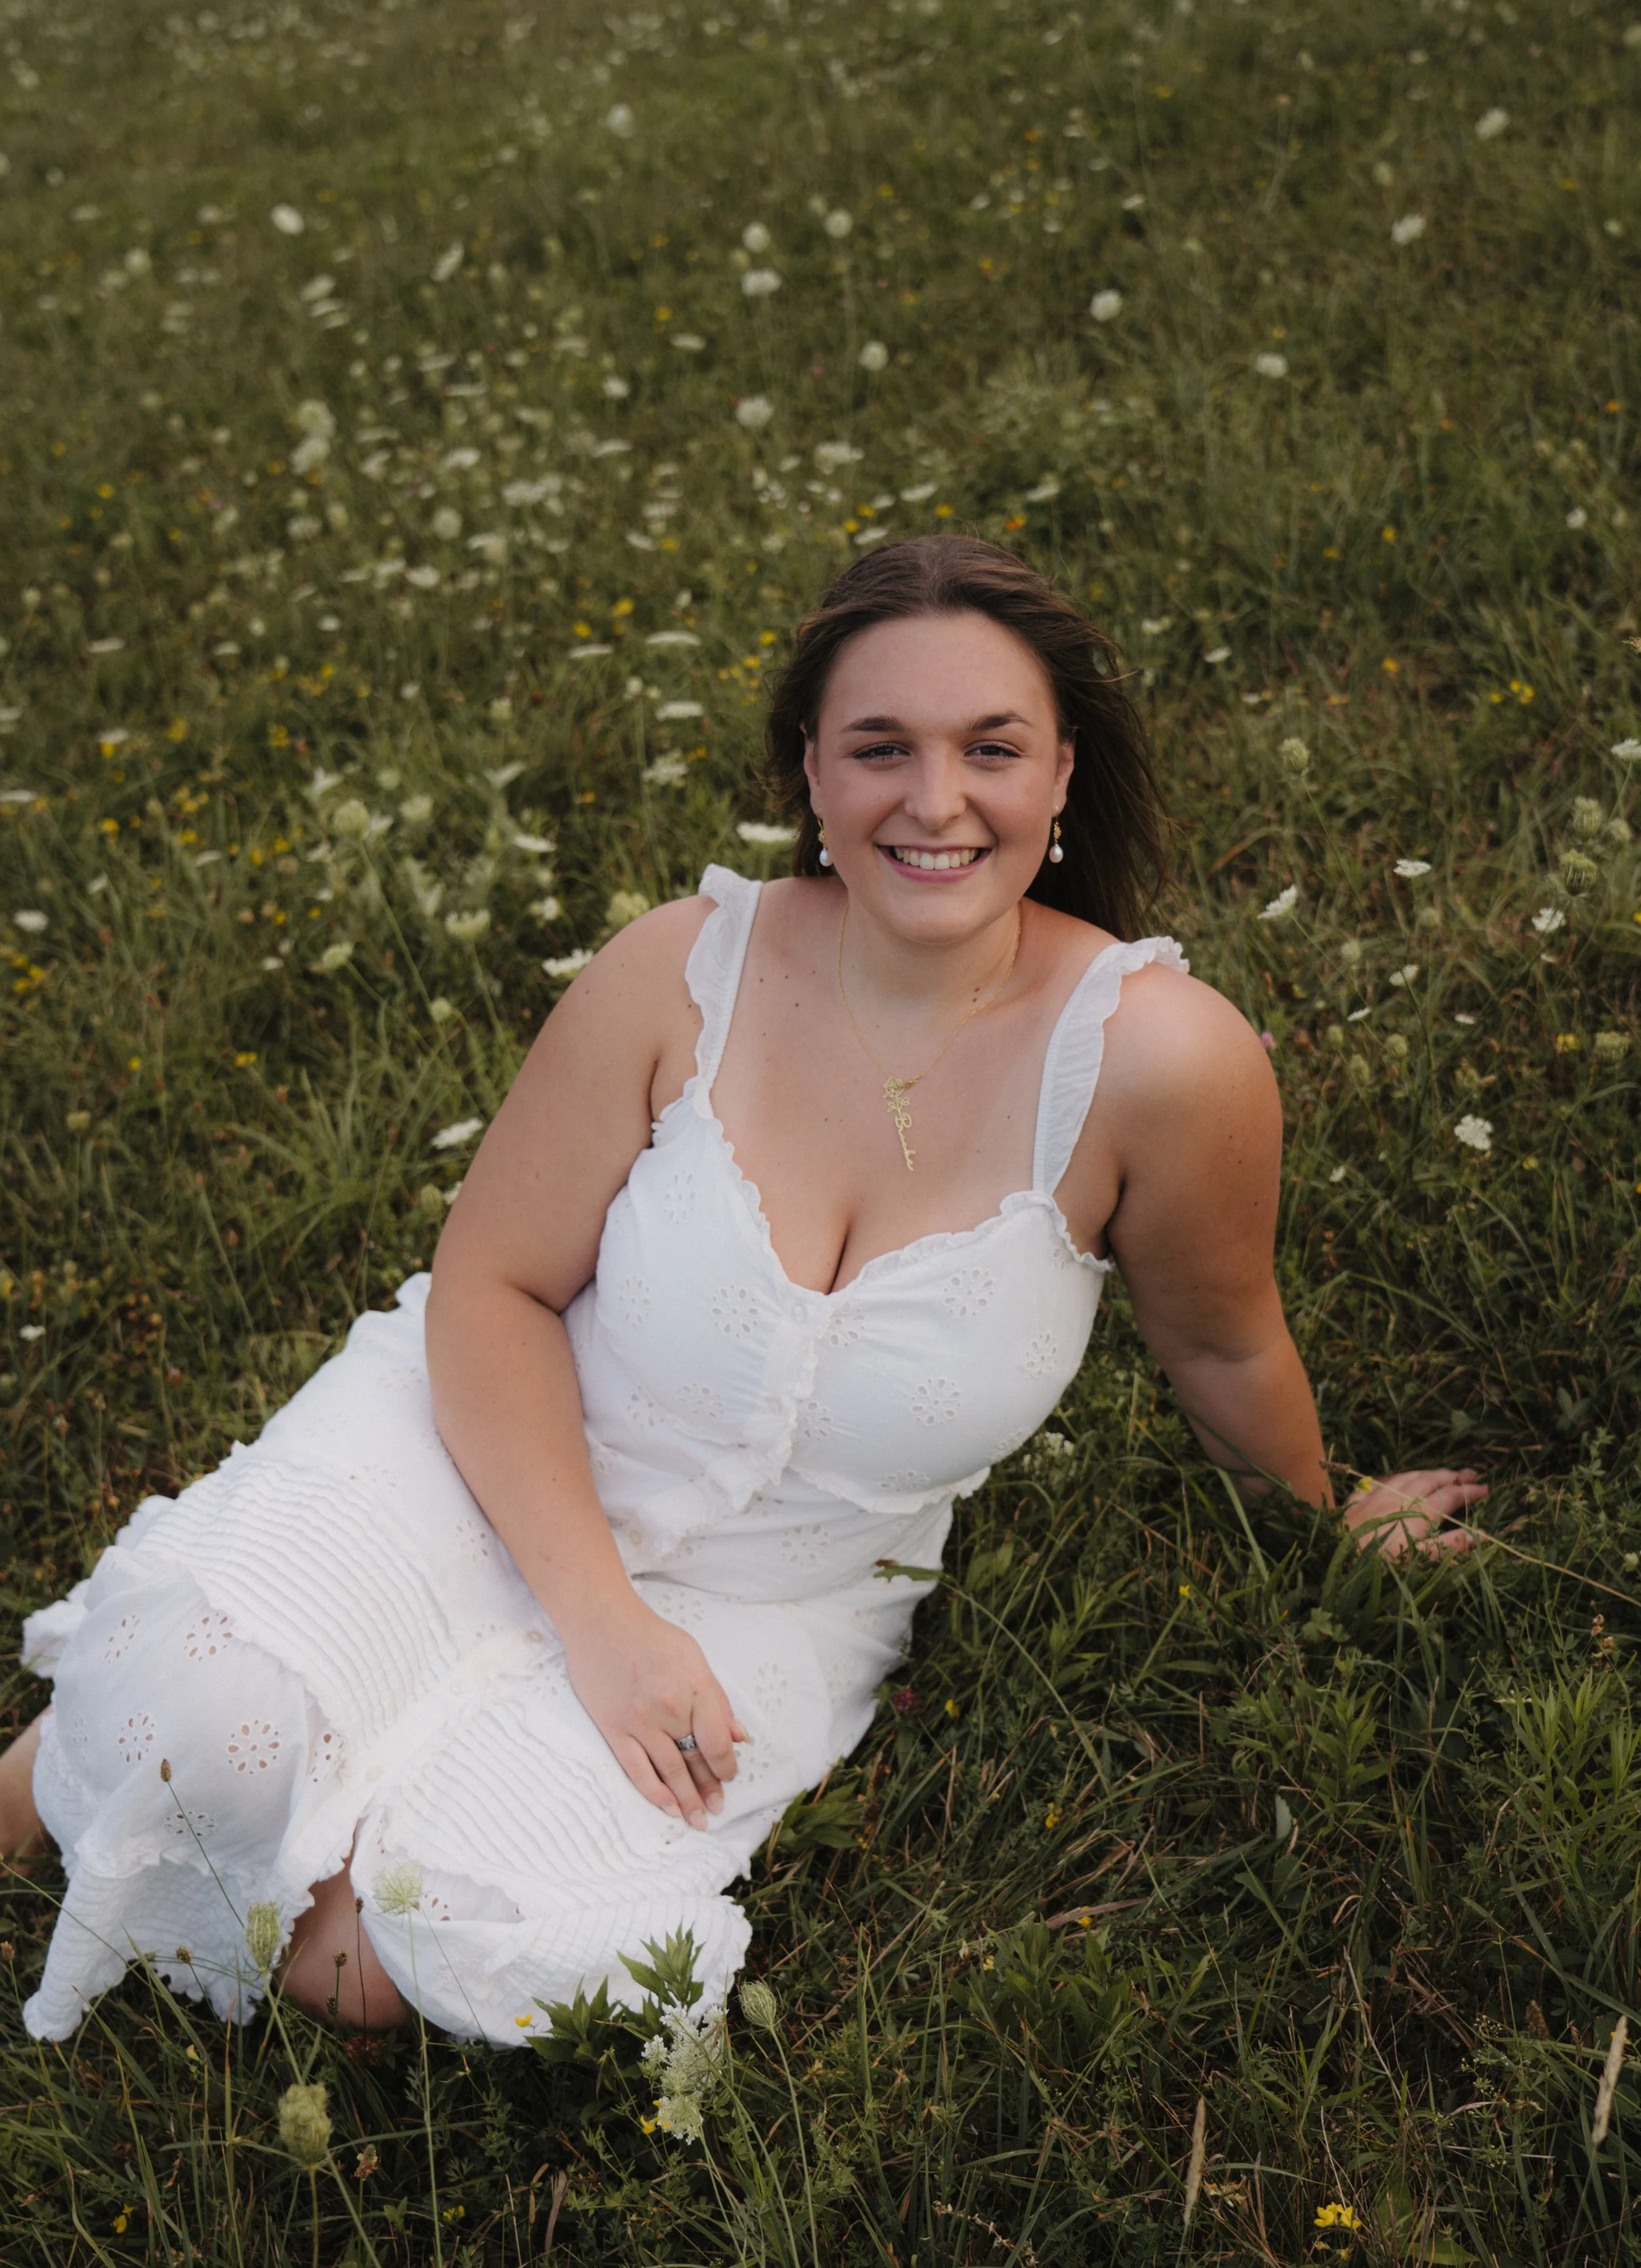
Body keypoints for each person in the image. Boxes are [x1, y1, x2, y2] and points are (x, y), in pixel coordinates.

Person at [0, 537, 1486, 2042]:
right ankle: (110, 1756)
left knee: (446, 1943)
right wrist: (602, 1625)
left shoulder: (1163, 1061)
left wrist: (1321, 1522)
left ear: (1057, 778)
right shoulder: (680, 969)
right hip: (482, 1441)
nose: (933, 799)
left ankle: (156, 1802)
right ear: (812, 775)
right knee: (205, 1727)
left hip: (781, 1596)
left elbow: (1223, 1345)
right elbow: (494, 1286)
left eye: (990, 748)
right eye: (878, 749)